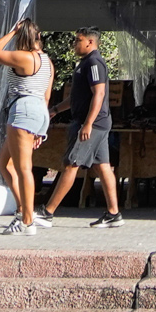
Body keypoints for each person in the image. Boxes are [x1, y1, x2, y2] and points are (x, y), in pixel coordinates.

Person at [42, 33, 123, 226]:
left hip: (93, 123)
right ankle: (114, 214)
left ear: (90, 42)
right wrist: (55, 110)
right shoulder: (85, 63)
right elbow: (77, 97)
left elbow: (99, 93)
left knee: (72, 164)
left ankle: (47, 212)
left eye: (78, 40)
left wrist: (88, 123)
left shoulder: (94, 63)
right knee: (103, 166)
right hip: (95, 122)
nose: (74, 44)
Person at [0, 20, 54, 234]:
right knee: (4, 163)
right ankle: (23, 209)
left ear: (21, 37)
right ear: (39, 36)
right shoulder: (47, 61)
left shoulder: (23, 57)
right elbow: (46, 95)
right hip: (38, 111)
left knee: (23, 168)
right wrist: (41, 128)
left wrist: (11, 32)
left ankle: (27, 221)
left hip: (23, 109)